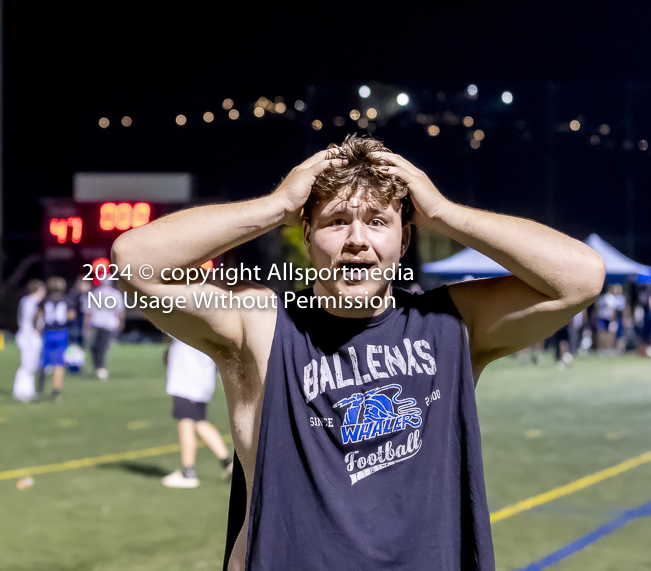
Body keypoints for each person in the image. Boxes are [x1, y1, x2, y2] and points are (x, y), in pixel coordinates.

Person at [111, 134, 605, 570]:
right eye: (335, 221)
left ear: (405, 237)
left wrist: (444, 214)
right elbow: (134, 261)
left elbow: (581, 277)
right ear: (306, 236)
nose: (356, 240)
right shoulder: (261, 327)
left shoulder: (448, 323)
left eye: (377, 221)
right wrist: (276, 206)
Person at [161, 336, 233, 489]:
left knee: (185, 421)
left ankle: (188, 473)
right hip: (201, 379)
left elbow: (168, 329)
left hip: (187, 380)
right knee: (198, 422)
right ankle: (228, 464)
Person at [35, 276, 76, 403]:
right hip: (61, 333)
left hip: (48, 332)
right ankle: (56, 391)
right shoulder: (67, 300)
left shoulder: (45, 300)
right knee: (59, 363)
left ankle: (40, 389)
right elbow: (71, 315)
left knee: (43, 362)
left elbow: (39, 315)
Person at [12, 279, 46, 402]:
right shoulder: (33, 302)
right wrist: (38, 330)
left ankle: (28, 390)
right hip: (29, 336)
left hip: (25, 335)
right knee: (27, 365)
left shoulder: (25, 300)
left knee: (30, 365)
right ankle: (22, 391)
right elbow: (35, 319)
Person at [86, 277, 125, 380]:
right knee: (100, 347)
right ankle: (99, 367)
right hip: (105, 324)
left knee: (98, 347)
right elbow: (120, 312)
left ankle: (100, 367)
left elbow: (89, 312)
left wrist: (86, 326)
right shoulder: (115, 294)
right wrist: (121, 323)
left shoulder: (96, 293)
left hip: (101, 324)